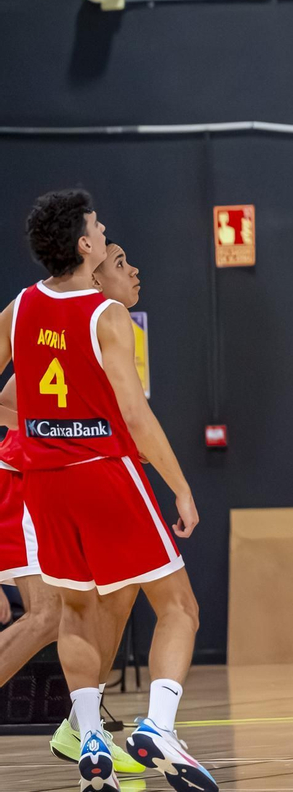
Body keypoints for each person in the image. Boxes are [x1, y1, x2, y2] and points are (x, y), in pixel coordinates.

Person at [0, 190, 214, 792]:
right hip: (104, 470)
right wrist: (180, 487)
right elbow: (136, 417)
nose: (103, 231)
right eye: (97, 226)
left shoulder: (21, 308)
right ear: (84, 246)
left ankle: (90, 733)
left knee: (74, 611)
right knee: (178, 607)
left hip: (45, 483)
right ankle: (158, 729)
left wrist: (31, 426)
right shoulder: (105, 314)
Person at [0, 242, 147, 778]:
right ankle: (79, 726)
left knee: (119, 592)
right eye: (120, 263)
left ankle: (81, 721)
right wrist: (43, 428)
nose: (133, 271)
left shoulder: (110, 330)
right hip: (24, 479)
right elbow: (10, 400)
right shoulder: (57, 328)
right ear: (94, 279)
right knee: (48, 617)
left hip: (73, 485)